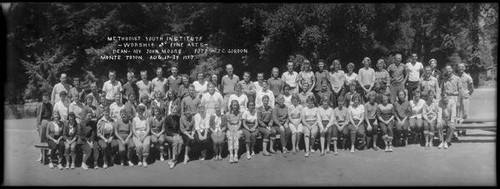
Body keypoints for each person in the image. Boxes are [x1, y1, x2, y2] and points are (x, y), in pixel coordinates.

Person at [164, 103, 184, 168]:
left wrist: (178, 134)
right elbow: (166, 130)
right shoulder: (167, 118)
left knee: (180, 142)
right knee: (175, 142)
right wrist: (173, 135)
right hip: (169, 135)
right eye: (174, 109)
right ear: (171, 109)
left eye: (176, 110)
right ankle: (173, 160)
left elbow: (179, 128)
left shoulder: (178, 117)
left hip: (177, 134)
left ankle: (175, 158)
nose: (175, 111)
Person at [36, 92, 53, 162]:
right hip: (42, 122)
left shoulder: (51, 105)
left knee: (49, 139)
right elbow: (38, 116)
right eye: (44, 97)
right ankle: (42, 155)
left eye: (47, 97)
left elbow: (52, 114)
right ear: (42, 98)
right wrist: (38, 125)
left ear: (48, 98)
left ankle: (48, 155)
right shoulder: (40, 105)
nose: (45, 98)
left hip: (49, 121)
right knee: (42, 139)